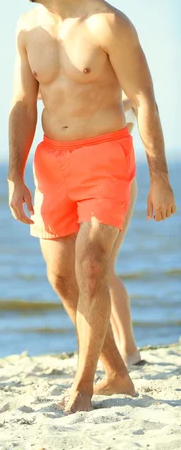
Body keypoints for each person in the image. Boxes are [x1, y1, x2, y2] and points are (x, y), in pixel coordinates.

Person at [8, 0, 176, 414]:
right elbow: (23, 103)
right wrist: (15, 175)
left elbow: (144, 100)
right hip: (51, 163)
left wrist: (160, 176)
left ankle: (82, 386)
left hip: (106, 156)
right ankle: (117, 374)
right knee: (62, 279)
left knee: (94, 266)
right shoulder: (26, 28)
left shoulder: (108, 23)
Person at [109, 95, 142, 367]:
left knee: (104, 267)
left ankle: (129, 348)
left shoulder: (127, 95)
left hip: (117, 180)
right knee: (92, 271)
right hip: (87, 179)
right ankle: (121, 346)